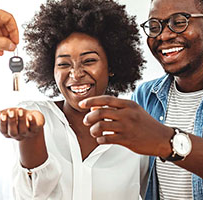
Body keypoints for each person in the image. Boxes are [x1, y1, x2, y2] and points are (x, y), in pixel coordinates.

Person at [0, 0, 149, 199]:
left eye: (89, 61)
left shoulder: (135, 131)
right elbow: (31, 194)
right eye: (64, 64)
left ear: (112, 66)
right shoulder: (33, 116)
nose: (75, 74)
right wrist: (31, 136)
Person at [79, 0, 203, 199]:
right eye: (154, 27)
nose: (163, 35)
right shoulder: (146, 96)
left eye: (179, 22)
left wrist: (167, 141)